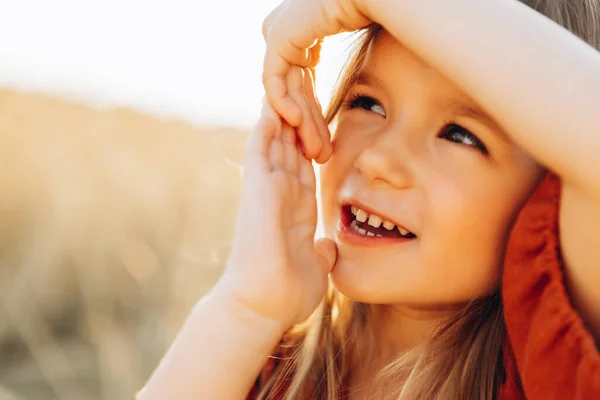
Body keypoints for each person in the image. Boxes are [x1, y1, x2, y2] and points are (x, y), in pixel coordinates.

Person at [137, 0, 600, 399]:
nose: (376, 158)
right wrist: (246, 308)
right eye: (368, 104)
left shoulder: (548, 367)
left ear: (553, 187)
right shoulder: (268, 359)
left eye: (459, 135)